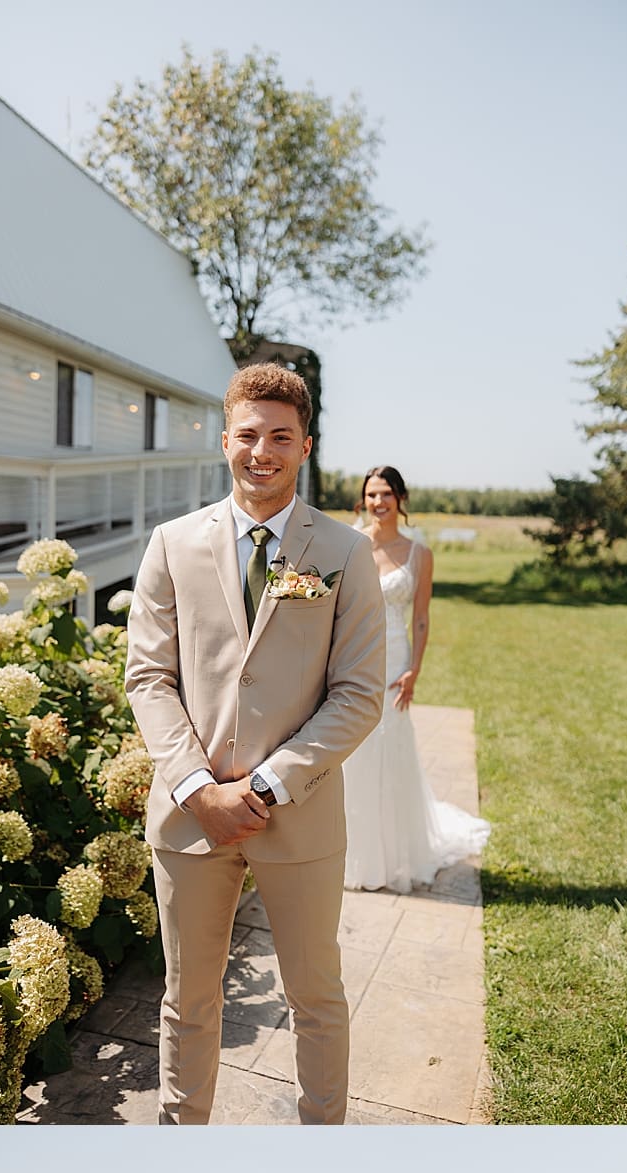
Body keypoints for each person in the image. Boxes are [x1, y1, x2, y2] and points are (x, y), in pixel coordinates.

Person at [125, 362, 385, 1124]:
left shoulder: (343, 552)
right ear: (224, 441)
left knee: (317, 996)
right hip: (188, 818)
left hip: (296, 819)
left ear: (305, 445)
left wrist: (266, 785)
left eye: (280, 436)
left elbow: (359, 693)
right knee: (188, 1001)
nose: (261, 451)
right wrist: (196, 788)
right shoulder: (171, 544)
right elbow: (148, 676)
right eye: (247, 434)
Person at [342, 465, 490, 892]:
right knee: (351, 753)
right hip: (354, 659)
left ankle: (390, 855)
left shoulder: (419, 554)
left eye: (386, 493)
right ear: (363, 500)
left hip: (395, 660)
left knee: (389, 747)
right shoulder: (351, 546)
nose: (378, 502)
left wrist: (415, 670)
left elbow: (421, 618)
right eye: (371, 494)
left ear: (400, 498)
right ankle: (349, 851)